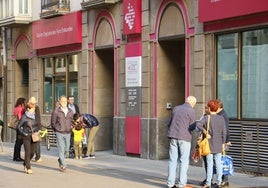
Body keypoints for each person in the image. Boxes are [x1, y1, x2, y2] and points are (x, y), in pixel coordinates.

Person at [166, 96, 197, 188]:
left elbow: (169, 123)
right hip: (184, 138)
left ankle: (170, 184)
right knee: (183, 161)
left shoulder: (176, 108)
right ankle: (181, 184)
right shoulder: (191, 111)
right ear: (192, 103)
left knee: (172, 160)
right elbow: (192, 126)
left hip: (173, 137)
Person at [196, 99, 227, 188]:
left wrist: (205, 132)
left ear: (210, 108)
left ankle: (208, 183)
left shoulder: (206, 117)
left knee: (209, 165)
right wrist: (223, 144)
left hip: (208, 145)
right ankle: (219, 182)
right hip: (218, 144)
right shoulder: (221, 118)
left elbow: (198, 125)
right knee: (218, 164)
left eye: (207, 107)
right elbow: (224, 132)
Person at [51, 96, 74, 172]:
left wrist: (71, 127)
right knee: (61, 149)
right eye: (62, 101)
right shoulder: (56, 111)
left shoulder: (70, 111)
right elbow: (53, 122)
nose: (64, 102)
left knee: (67, 150)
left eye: (65, 101)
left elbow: (71, 121)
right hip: (59, 132)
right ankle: (64, 166)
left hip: (68, 132)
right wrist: (56, 129)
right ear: (60, 102)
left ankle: (60, 160)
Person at [17, 102, 39, 174]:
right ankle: (28, 167)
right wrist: (24, 133)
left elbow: (38, 124)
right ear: (28, 109)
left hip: (34, 135)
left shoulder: (35, 116)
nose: (34, 110)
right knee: (28, 152)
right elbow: (18, 127)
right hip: (26, 136)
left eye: (34, 108)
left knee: (32, 152)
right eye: (33, 109)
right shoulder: (24, 117)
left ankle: (25, 163)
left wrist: (39, 130)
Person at [216, 99, 231, 187]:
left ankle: (225, 180)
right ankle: (222, 179)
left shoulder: (222, 115)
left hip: (223, 141)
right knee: (221, 160)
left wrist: (227, 141)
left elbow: (225, 129)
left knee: (223, 161)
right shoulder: (220, 114)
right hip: (221, 140)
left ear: (218, 107)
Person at [28, 97, 42, 162]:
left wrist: (39, 128)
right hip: (29, 127)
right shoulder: (27, 107)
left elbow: (38, 118)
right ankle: (35, 156)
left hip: (34, 127)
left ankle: (37, 156)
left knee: (36, 142)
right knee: (34, 142)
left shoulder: (36, 108)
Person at [13, 97, 26, 162]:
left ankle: (15, 156)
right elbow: (22, 118)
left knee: (17, 142)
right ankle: (17, 157)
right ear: (22, 102)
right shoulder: (21, 109)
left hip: (17, 126)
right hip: (20, 126)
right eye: (24, 102)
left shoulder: (16, 108)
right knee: (19, 142)